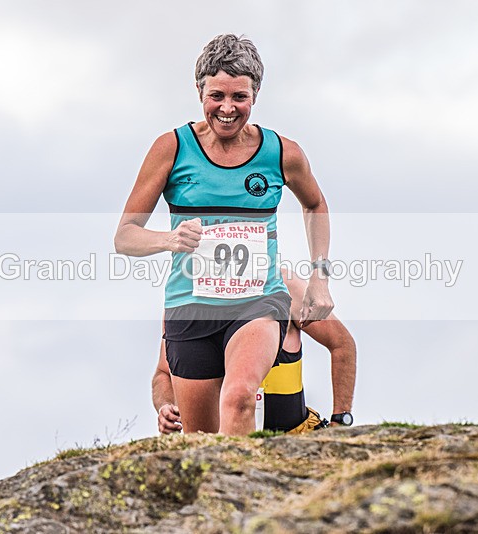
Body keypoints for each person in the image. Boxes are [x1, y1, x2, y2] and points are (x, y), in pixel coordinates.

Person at [115, 34, 333, 435]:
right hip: (190, 308)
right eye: (217, 95)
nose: (228, 108)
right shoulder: (171, 148)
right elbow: (125, 236)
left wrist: (319, 277)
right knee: (201, 441)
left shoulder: (282, 153)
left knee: (239, 397)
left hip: (258, 301)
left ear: (255, 95)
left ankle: (247, 479)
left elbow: (315, 204)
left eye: (240, 97)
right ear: (200, 92)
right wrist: (169, 240)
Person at [153, 270, 357, 434]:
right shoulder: (184, 301)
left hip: (293, 438)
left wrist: (340, 420)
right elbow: (163, 374)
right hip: (222, 445)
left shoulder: (284, 285)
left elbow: (341, 343)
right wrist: (166, 406)